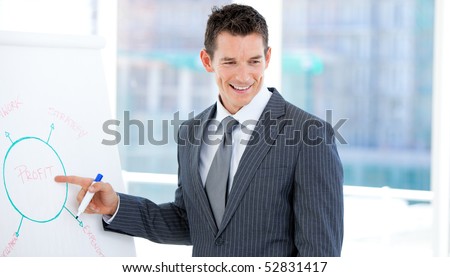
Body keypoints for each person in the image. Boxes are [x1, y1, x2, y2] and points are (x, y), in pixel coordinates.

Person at [55, 3, 344, 257]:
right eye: (229, 62)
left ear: (267, 58)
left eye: (254, 61)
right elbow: (189, 221)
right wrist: (116, 205)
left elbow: (319, 256)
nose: (243, 76)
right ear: (207, 61)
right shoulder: (191, 134)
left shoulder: (310, 135)